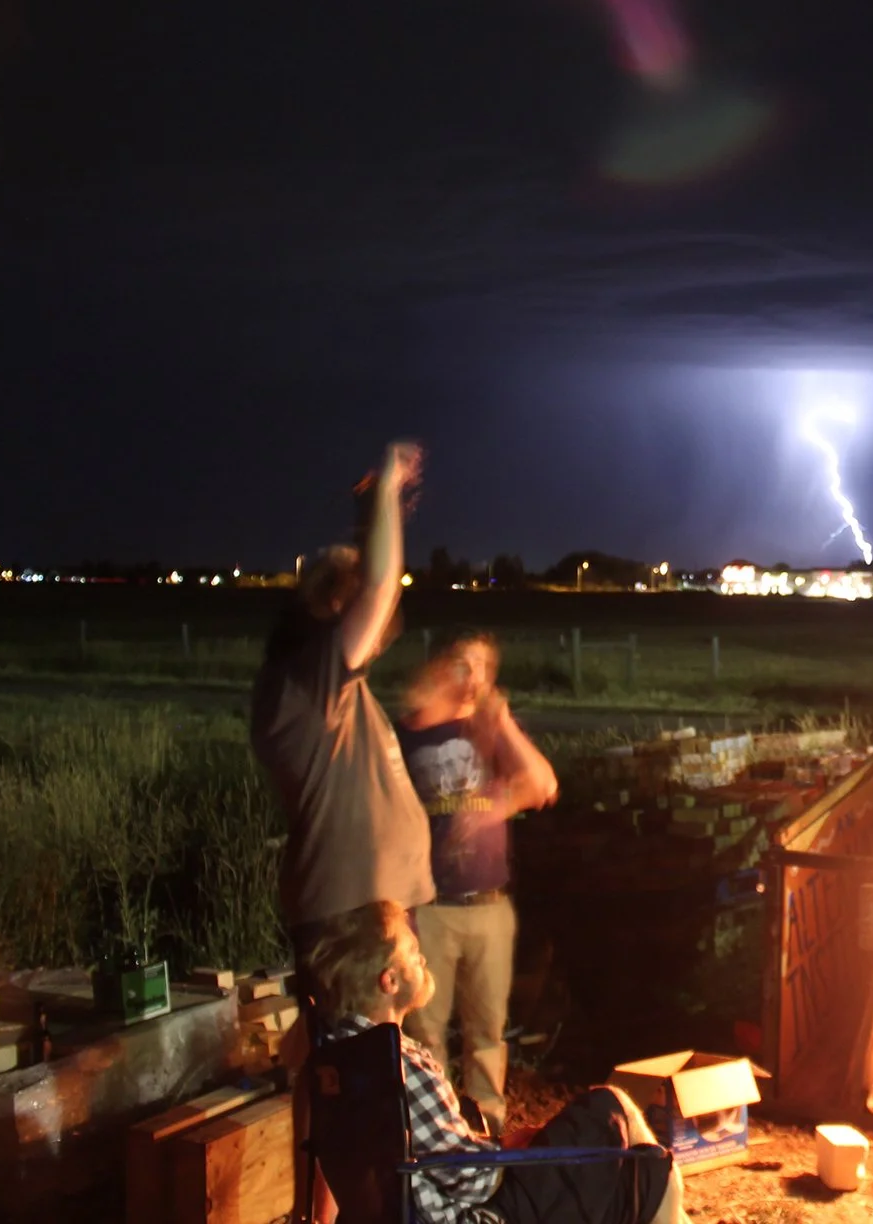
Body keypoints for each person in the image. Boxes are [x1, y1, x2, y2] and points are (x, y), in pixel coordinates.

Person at [250, 440, 433, 1220]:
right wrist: (387, 489)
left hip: (375, 913)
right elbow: (379, 588)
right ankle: (333, 1214)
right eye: (354, 604)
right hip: (350, 918)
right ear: (327, 608)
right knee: (345, 1081)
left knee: (374, 1079)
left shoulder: (329, 688)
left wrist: (373, 512)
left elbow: (373, 592)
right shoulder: (303, 686)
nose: (379, 624)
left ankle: (390, 1197)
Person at [307, 901, 683, 1224]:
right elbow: (474, 1180)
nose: (422, 956)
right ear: (389, 981)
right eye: (411, 950)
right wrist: (513, 1153)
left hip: (422, 1209)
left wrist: (502, 1145)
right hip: (481, 1216)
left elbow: (434, 1153)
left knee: (641, 1176)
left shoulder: (339, 1057)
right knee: (613, 1111)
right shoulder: (394, 1069)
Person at [397, 634, 561, 1131]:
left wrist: (501, 724)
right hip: (429, 904)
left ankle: (487, 1128)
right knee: (425, 1031)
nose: (473, 676)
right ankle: (435, 1131)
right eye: (462, 663)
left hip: (490, 905)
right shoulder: (406, 735)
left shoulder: (492, 735)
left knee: (487, 1030)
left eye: (484, 665)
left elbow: (544, 784)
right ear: (441, 668)